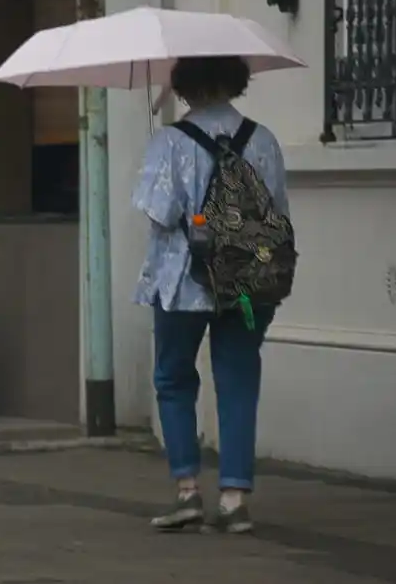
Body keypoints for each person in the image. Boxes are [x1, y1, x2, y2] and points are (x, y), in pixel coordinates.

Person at [130, 55, 289, 535]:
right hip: (247, 283)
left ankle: (187, 493)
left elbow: (158, 213)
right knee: (238, 379)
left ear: (184, 86)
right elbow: (277, 209)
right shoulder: (263, 140)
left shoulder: (171, 141)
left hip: (184, 282)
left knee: (175, 378)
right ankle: (235, 498)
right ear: (235, 81)